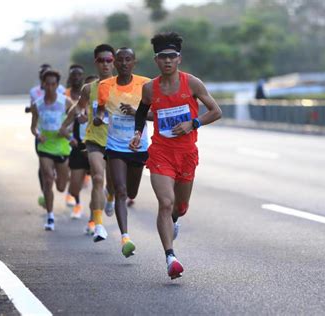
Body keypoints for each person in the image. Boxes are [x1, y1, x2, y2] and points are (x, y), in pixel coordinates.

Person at [130, 32, 222, 279]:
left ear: (179, 59)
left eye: (172, 56)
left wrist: (193, 124)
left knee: (179, 207)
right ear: (156, 60)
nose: (167, 61)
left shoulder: (192, 83)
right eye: (163, 57)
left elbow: (215, 111)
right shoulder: (149, 88)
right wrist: (138, 134)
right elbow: (142, 113)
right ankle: (170, 257)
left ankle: (174, 220)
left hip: (187, 153)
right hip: (161, 152)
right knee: (166, 202)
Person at [96, 47, 150, 258]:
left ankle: (112, 193)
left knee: (131, 193)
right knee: (121, 190)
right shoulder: (105, 86)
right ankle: (125, 237)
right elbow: (101, 109)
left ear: (134, 62)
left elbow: (156, 114)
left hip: (138, 146)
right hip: (115, 145)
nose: (124, 63)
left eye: (129, 59)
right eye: (120, 60)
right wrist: (99, 117)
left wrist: (138, 113)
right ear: (115, 64)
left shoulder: (146, 84)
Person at [60, 44, 115, 239]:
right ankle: (93, 219)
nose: (106, 64)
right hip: (88, 143)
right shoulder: (88, 90)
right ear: (96, 62)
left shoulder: (122, 87)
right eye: (102, 60)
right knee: (86, 183)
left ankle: (98, 214)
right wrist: (69, 127)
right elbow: (74, 112)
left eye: (109, 60)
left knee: (109, 183)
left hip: (115, 142)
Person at [30, 70, 73, 231]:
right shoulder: (37, 104)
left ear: (57, 85)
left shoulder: (65, 102)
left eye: (53, 84)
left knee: (61, 186)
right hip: (45, 145)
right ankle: (50, 217)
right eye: (47, 83)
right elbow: (33, 127)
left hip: (61, 146)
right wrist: (38, 135)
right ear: (43, 84)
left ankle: (59, 177)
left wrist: (67, 131)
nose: (50, 87)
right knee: (48, 179)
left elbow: (74, 117)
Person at [64, 64, 89, 218]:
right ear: (70, 76)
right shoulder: (65, 95)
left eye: (79, 74)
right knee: (73, 179)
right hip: (71, 137)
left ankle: (96, 216)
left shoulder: (89, 93)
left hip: (92, 139)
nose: (76, 77)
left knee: (98, 178)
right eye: (73, 74)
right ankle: (75, 195)